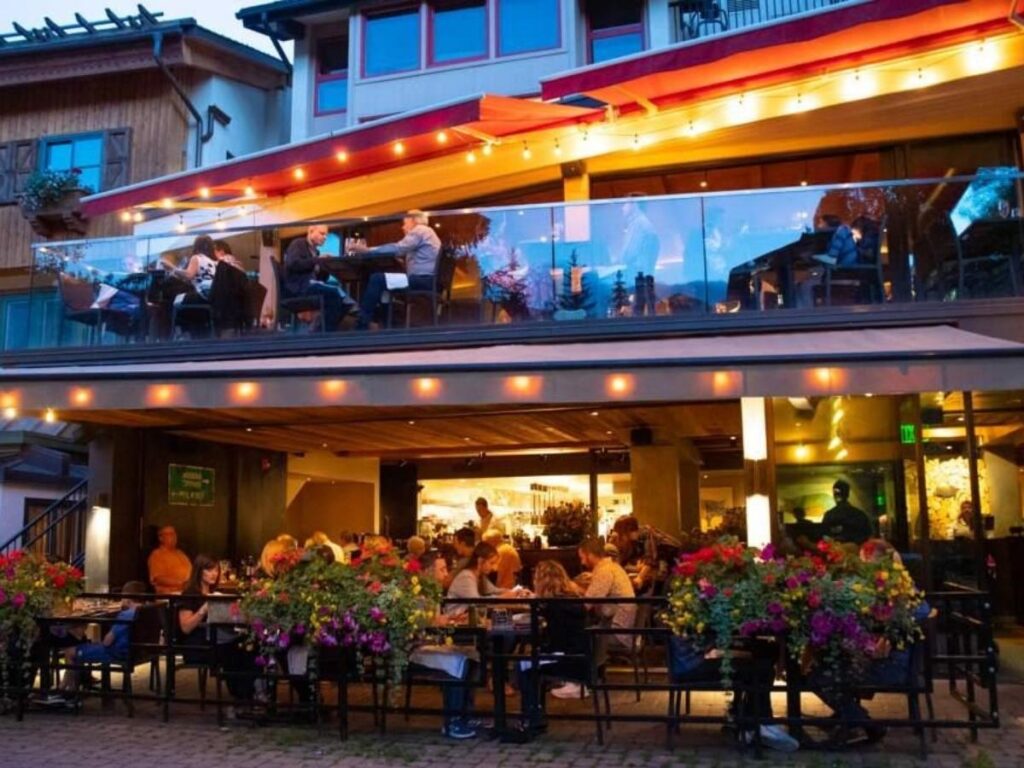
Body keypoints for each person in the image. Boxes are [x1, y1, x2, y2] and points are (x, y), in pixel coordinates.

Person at [812, 539, 931, 747]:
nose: (862, 570)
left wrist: (886, 635)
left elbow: (918, 613)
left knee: (817, 674)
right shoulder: (899, 585)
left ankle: (865, 724)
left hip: (890, 667)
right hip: (893, 663)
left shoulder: (894, 589)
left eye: (864, 563)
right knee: (827, 664)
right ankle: (847, 715)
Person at [177, 554, 255, 706]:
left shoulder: (215, 592)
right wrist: (205, 608)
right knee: (235, 651)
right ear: (199, 571)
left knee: (247, 646)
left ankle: (248, 694)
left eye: (216, 570)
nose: (214, 574)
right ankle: (242, 697)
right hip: (198, 644)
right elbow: (185, 627)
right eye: (209, 570)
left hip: (216, 639)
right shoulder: (190, 594)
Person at [515, 560, 589, 716]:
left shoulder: (553, 606)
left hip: (565, 658)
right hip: (581, 656)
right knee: (528, 660)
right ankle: (534, 711)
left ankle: (530, 713)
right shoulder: (572, 598)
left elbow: (553, 641)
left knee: (522, 663)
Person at [349, 210, 441, 329]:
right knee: (385, 283)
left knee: (377, 279)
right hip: (426, 280)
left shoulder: (420, 230)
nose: (403, 228)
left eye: (405, 223)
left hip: (420, 280)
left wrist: (368, 250)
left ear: (413, 220)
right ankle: (387, 324)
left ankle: (362, 324)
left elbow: (399, 247)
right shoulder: (430, 233)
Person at [60, 580, 145, 693]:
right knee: (82, 644)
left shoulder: (126, 614)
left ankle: (68, 692)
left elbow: (107, 642)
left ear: (126, 598)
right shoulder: (145, 610)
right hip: (136, 652)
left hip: (116, 652)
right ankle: (69, 686)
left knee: (70, 652)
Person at [283, 224, 357, 331]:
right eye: (322, 234)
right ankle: (324, 332)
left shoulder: (316, 252)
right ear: (311, 231)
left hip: (310, 286)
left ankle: (320, 329)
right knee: (334, 295)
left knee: (336, 296)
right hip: (299, 288)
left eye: (326, 235)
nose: (325, 237)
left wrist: (326, 265)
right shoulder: (298, 244)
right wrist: (318, 260)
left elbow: (320, 279)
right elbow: (293, 264)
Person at [578, 537, 636, 650]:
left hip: (616, 633)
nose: (582, 562)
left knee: (577, 635)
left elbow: (586, 605)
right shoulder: (612, 567)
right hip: (623, 629)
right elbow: (594, 596)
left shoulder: (604, 571)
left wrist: (573, 587)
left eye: (582, 558)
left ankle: (589, 667)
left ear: (589, 555)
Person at [821, 480, 873, 545]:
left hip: (839, 552)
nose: (837, 495)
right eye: (836, 493)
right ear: (848, 494)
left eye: (839, 493)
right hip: (852, 552)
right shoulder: (859, 515)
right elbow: (868, 536)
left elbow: (824, 536)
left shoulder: (830, 515)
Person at [147, 526, 191, 594]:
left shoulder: (181, 554)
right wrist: (181, 584)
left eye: (174, 534)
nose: (173, 537)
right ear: (160, 538)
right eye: (169, 534)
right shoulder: (157, 555)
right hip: (169, 595)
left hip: (186, 592)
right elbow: (158, 579)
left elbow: (192, 572)